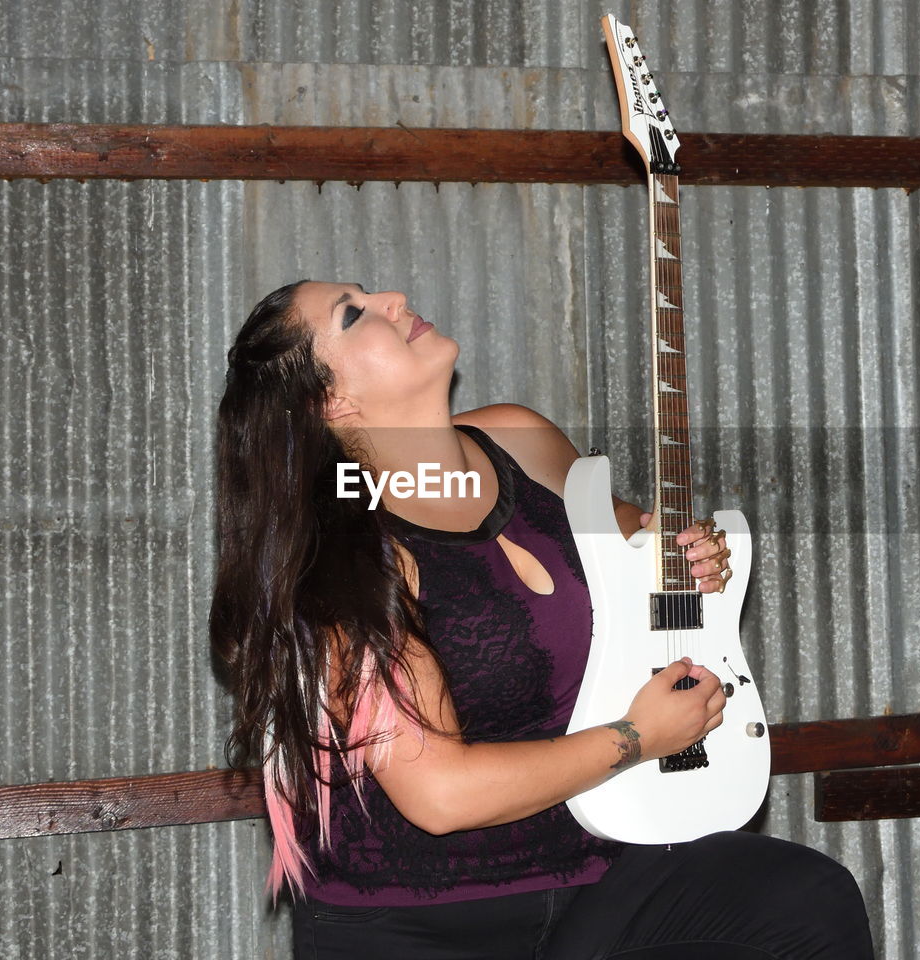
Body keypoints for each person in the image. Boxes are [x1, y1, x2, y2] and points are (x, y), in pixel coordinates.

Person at [211, 280, 875, 960]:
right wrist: (636, 737)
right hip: (417, 927)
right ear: (332, 400)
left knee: (805, 901)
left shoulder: (516, 438)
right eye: (354, 313)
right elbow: (439, 794)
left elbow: (628, 534)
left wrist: (683, 550)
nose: (392, 297)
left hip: (595, 877)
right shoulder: (343, 561)